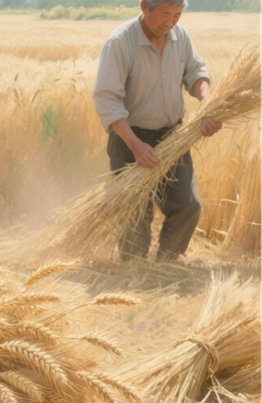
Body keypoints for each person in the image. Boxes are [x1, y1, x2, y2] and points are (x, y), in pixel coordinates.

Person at [92, 0, 222, 261]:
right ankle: (134, 272)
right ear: (144, 6)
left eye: (177, 15)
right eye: (164, 14)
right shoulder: (120, 42)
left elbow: (196, 73)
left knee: (187, 205)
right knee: (135, 214)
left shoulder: (180, 35)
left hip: (173, 137)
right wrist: (134, 144)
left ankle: (165, 264)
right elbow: (108, 100)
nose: (170, 22)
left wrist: (206, 101)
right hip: (130, 138)